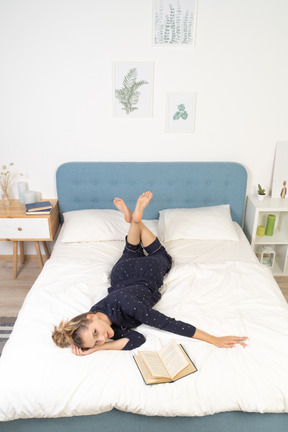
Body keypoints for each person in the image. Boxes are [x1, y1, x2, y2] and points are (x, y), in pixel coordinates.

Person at [52, 192, 248, 356]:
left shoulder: (129, 307)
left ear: (91, 316)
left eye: (96, 334)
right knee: (130, 251)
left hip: (146, 273)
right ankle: (134, 221)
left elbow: (167, 324)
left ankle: (137, 221)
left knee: (163, 256)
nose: (103, 339)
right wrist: (96, 348)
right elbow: (136, 339)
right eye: (96, 341)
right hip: (121, 274)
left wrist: (214, 340)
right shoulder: (98, 318)